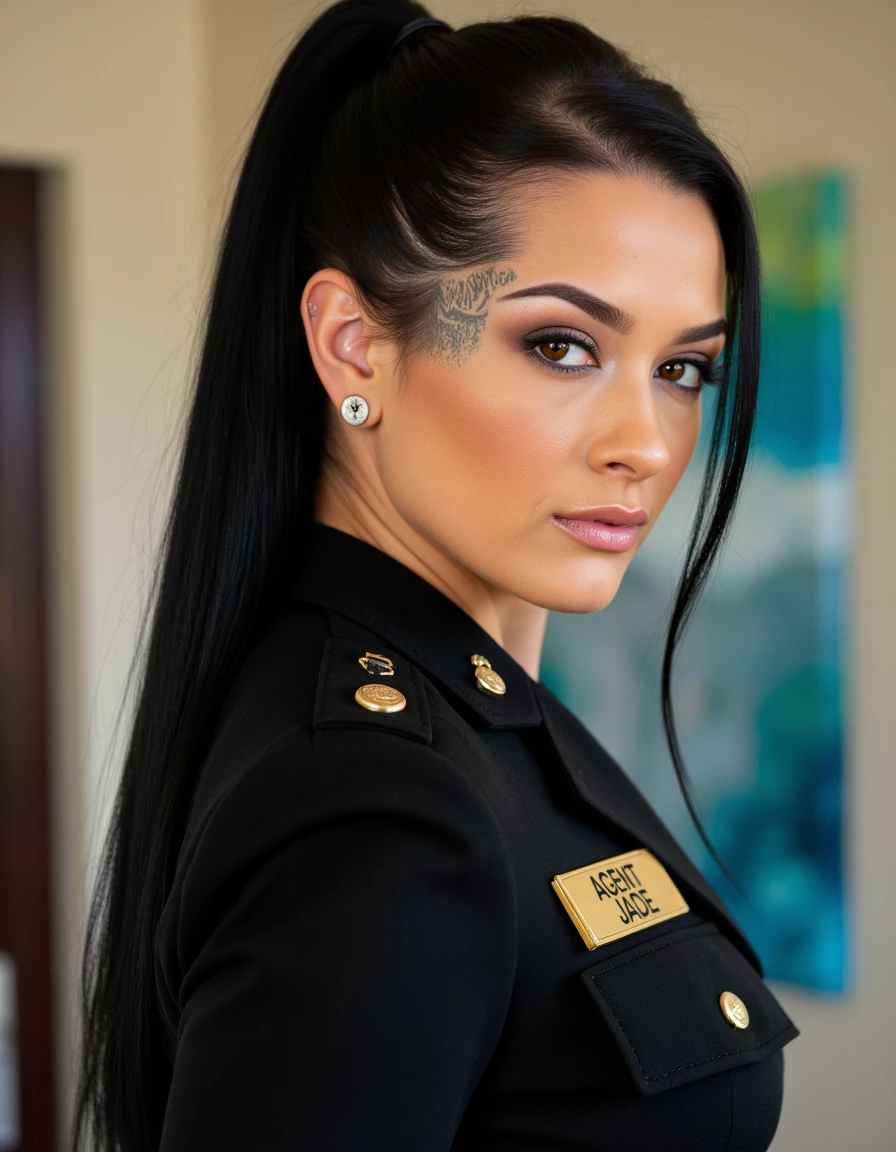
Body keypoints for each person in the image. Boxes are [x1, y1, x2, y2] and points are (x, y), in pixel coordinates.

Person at [71, 2, 800, 1149]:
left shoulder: (464, 722)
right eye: (561, 345)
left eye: (681, 368)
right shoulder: (380, 800)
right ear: (355, 345)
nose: (647, 444)